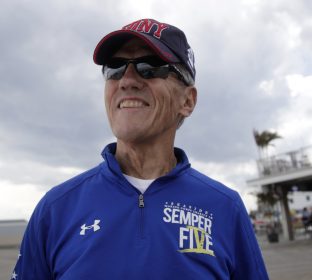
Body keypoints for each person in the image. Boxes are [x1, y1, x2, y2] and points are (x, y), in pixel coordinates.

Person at [11, 18, 268, 279]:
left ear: (187, 101)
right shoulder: (55, 209)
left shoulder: (225, 207)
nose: (127, 80)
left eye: (150, 67)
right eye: (115, 68)